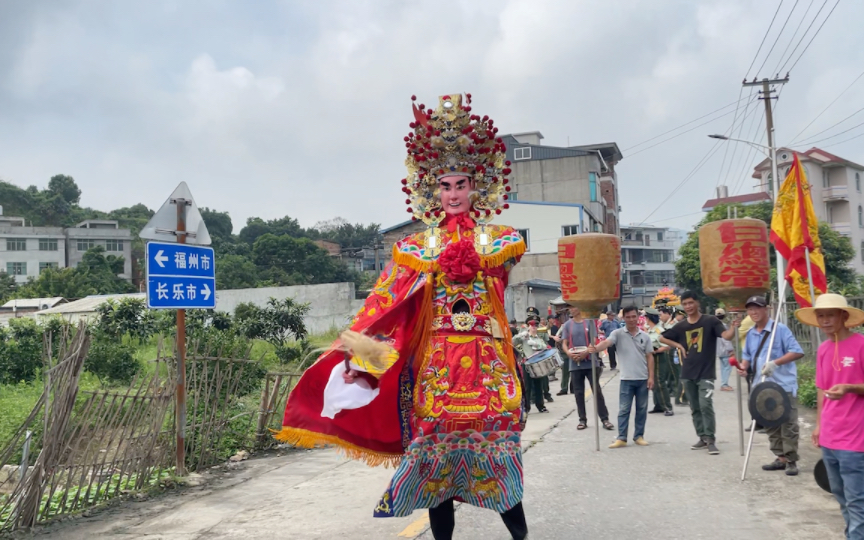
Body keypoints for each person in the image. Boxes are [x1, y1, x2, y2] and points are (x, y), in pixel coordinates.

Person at [275, 94, 528, 540]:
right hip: (435, 368)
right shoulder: (415, 249)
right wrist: (359, 357)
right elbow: (383, 304)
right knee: (434, 463)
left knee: (500, 452)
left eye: (461, 184)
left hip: (488, 365)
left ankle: (521, 533)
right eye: (445, 186)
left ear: (477, 186)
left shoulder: (501, 240)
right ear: (433, 190)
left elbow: (499, 284)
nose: (453, 194)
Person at [795, 294, 864, 539]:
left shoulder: (861, 344)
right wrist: (819, 426)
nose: (825, 321)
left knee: (857, 500)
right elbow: (822, 389)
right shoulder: (824, 349)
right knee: (841, 495)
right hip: (830, 437)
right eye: (821, 316)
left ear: (843, 316)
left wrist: (850, 388)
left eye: (830, 315)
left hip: (856, 439)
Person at [733, 295, 805, 475]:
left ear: (766, 309)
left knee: (787, 423)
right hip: (762, 386)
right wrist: (743, 368)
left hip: (783, 385)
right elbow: (748, 357)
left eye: (757, 308)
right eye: (750, 309)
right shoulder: (751, 333)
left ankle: (791, 460)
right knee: (770, 423)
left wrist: (775, 363)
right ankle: (780, 457)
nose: (754, 312)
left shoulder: (779, 330)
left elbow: (797, 351)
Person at [660, 291, 737, 455]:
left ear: (697, 303)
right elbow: (662, 338)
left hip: (706, 373)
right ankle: (702, 437)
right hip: (687, 372)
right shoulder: (681, 326)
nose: (688, 306)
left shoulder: (710, 321)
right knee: (694, 407)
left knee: (705, 405)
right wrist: (679, 346)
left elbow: (726, 336)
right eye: (685, 304)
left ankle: (710, 439)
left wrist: (734, 327)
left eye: (690, 303)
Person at [589, 306, 654, 447]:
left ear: (638, 317)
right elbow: (607, 342)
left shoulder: (645, 336)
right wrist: (595, 348)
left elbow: (650, 357)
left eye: (633, 316)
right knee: (624, 410)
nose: (631, 319)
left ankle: (639, 436)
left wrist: (651, 377)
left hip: (642, 378)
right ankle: (622, 437)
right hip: (626, 379)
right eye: (628, 317)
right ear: (623, 318)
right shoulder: (617, 333)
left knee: (641, 409)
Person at [561, 305, 615, 432]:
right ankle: (582, 419)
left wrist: (586, 352)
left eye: (573, 307)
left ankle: (604, 418)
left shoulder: (589, 322)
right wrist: (568, 353)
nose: (571, 310)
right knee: (578, 393)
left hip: (590, 362)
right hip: (574, 363)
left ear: (579, 308)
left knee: (596, 390)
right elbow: (564, 343)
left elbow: (594, 340)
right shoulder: (568, 325)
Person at [513, 320, 549, 413]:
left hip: (537, 364)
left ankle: (540, 406)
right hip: (527, 364)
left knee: (538, 386)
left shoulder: (538, 338)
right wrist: (520, 335)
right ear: (528, 327)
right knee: (527, 387)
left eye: (535, 325)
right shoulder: (524, 337)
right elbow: (513, 342)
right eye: (531, 325)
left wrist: (535, 344)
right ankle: (526, 407)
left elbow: (545, 346)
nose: (533, 327)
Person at [645, 308, 674, 416]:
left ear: (649, 318)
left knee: (660, 382)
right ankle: (658, 405)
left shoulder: (659, 330)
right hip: (650, 357)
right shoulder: (649, 330)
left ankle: (667, 407)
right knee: (653, 382)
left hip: (659, 357)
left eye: (646, 317)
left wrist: (655, 350)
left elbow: (667, 346)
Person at [548, 313, 571, 396]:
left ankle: (573, 387)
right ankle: (564, 388)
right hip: (564, 351)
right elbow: (557, 338)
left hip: (573, 349)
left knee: (574, 371)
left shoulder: (573, 325)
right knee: (565, 370)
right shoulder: (563, 327)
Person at [715, 308, 735, 392]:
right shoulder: (723, 326)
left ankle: (724, 383)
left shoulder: (714, 325)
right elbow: (725, 339)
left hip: (718, 350)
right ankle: (724, 384)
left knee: (724, 367)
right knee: (727, 367)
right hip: (725, 350)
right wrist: (730, 350)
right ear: (724, 315)